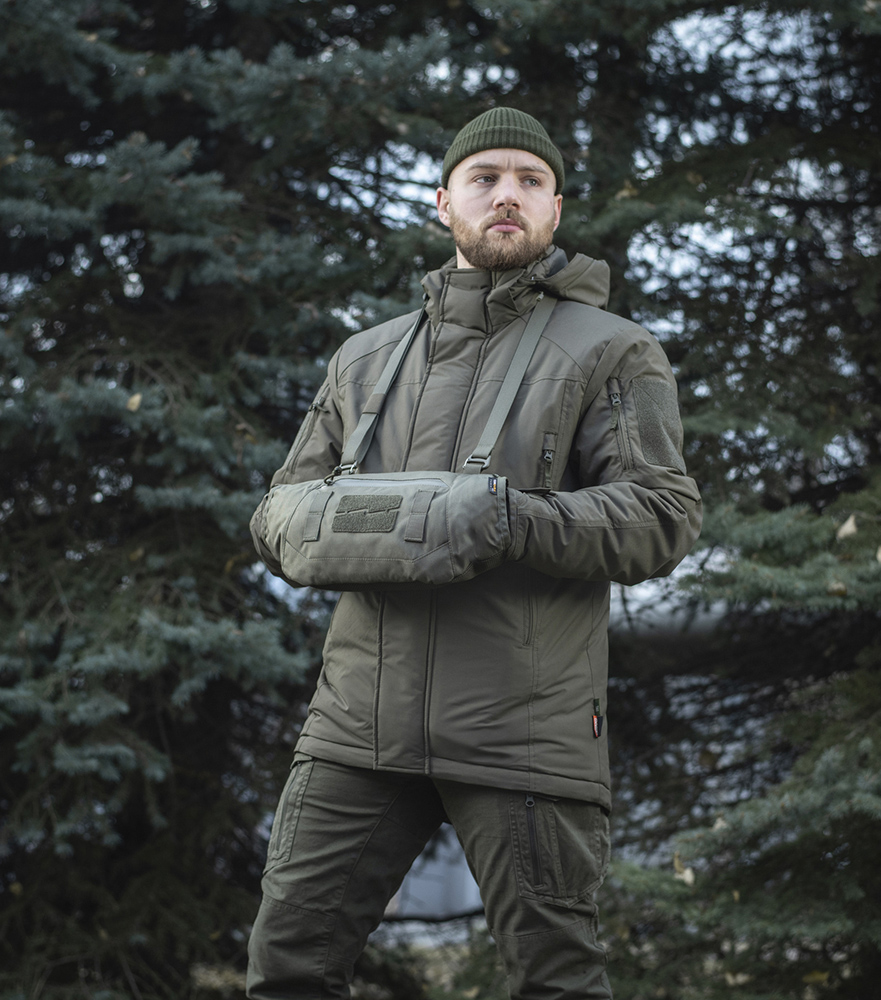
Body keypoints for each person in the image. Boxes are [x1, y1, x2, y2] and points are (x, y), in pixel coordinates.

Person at [246, 107, 702, 1000]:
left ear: (556, 209)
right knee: (288, 969)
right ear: (443, 202)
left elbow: (662, 516)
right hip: (356, 730)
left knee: (556, 984)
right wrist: (388, 522)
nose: (507, 195)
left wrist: (504, 519)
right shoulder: (365, 359)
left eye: (530, 181)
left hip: (524, 734)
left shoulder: (613, 351)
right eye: (485, 177)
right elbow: (277, 515)